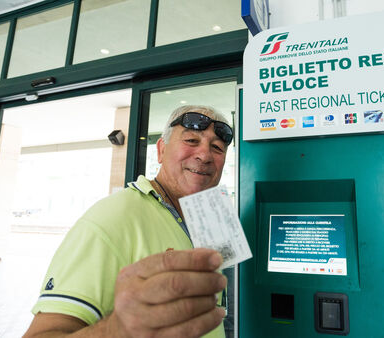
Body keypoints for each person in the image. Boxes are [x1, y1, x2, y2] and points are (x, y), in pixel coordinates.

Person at [24, 105, 234, 337]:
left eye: (217, 147)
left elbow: (225, 307)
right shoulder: (111, 216)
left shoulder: (216, 217)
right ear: (161, 150)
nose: (204, 155)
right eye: (192, 141)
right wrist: (116, 331)